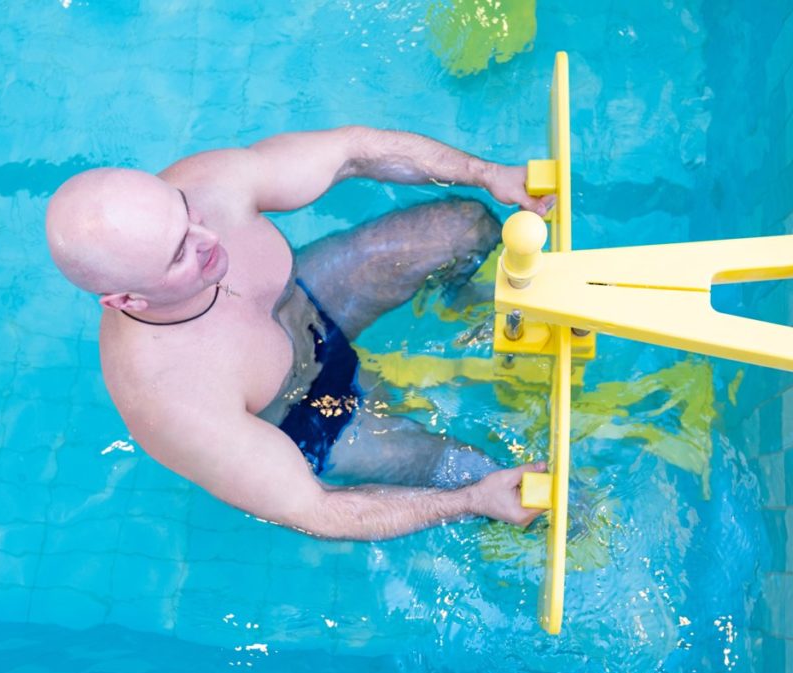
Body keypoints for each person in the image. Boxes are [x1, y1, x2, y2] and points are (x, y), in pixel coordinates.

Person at [45, 126, 553, 540]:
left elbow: (351, 149)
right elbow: (316, 510)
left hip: (308, 304)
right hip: (306, 416)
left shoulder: (209, 184)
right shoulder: (173, 401)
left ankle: (458, 302)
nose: (209, 236)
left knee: (465, 226)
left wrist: (488, 173)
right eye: (180, 253)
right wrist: (471, 502)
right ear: (126, 301)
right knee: (483, 476)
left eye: (185, 211)